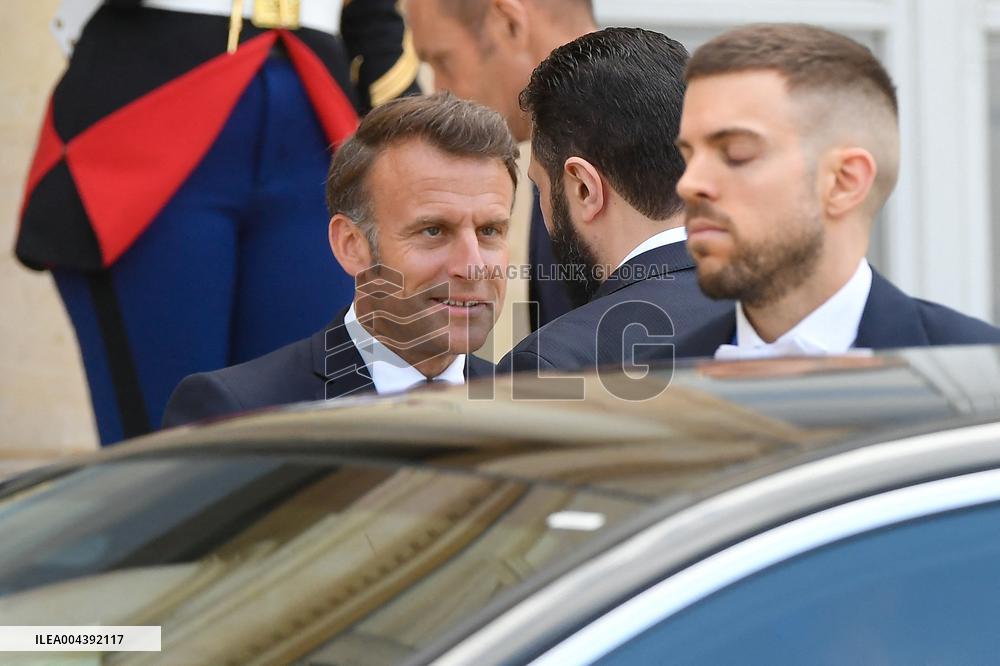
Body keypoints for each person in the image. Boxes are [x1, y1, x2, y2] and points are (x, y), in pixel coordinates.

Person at [17, 0, 420, 444]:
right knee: (165, 453)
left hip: (315, 117)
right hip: (154, 100)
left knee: (295, 448)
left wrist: (409, 120)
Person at [162, 93, 515, 427]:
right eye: (434, 231)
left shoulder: (528, 406)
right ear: (351, 245)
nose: (473, 266)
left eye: (489, 231)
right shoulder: (240, 411)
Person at [670, 23, 1000, 359]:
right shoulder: (655, 386)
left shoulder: (982, 371)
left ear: (844, 181)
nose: (689, 183)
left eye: (736, 153)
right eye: (688, 156)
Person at [499, 28, 730, 374]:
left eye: (541, 187)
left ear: (584, 190)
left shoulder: (554, 362)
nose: (544, 209)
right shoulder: (785, 318)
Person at [404, 0, 599, 331]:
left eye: (443, 61)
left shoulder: (608, 152)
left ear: (508, 22)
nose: (437, 91)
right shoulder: (572, 140)